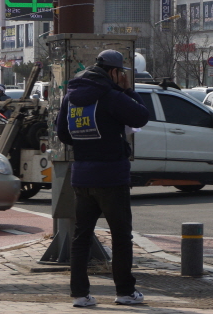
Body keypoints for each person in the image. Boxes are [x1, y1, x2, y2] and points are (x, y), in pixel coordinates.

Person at [57, 49, 149, 308]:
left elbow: (63, 134)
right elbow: (141, 116)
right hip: (111, 176)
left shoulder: (71, 96)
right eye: (121, 73)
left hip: (82, 177)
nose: (122, 77)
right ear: (113, 72)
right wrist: (128, 91)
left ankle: (81, 295)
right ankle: (125, 292)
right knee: (121, 236)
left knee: (81, 236)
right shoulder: (111, 96)